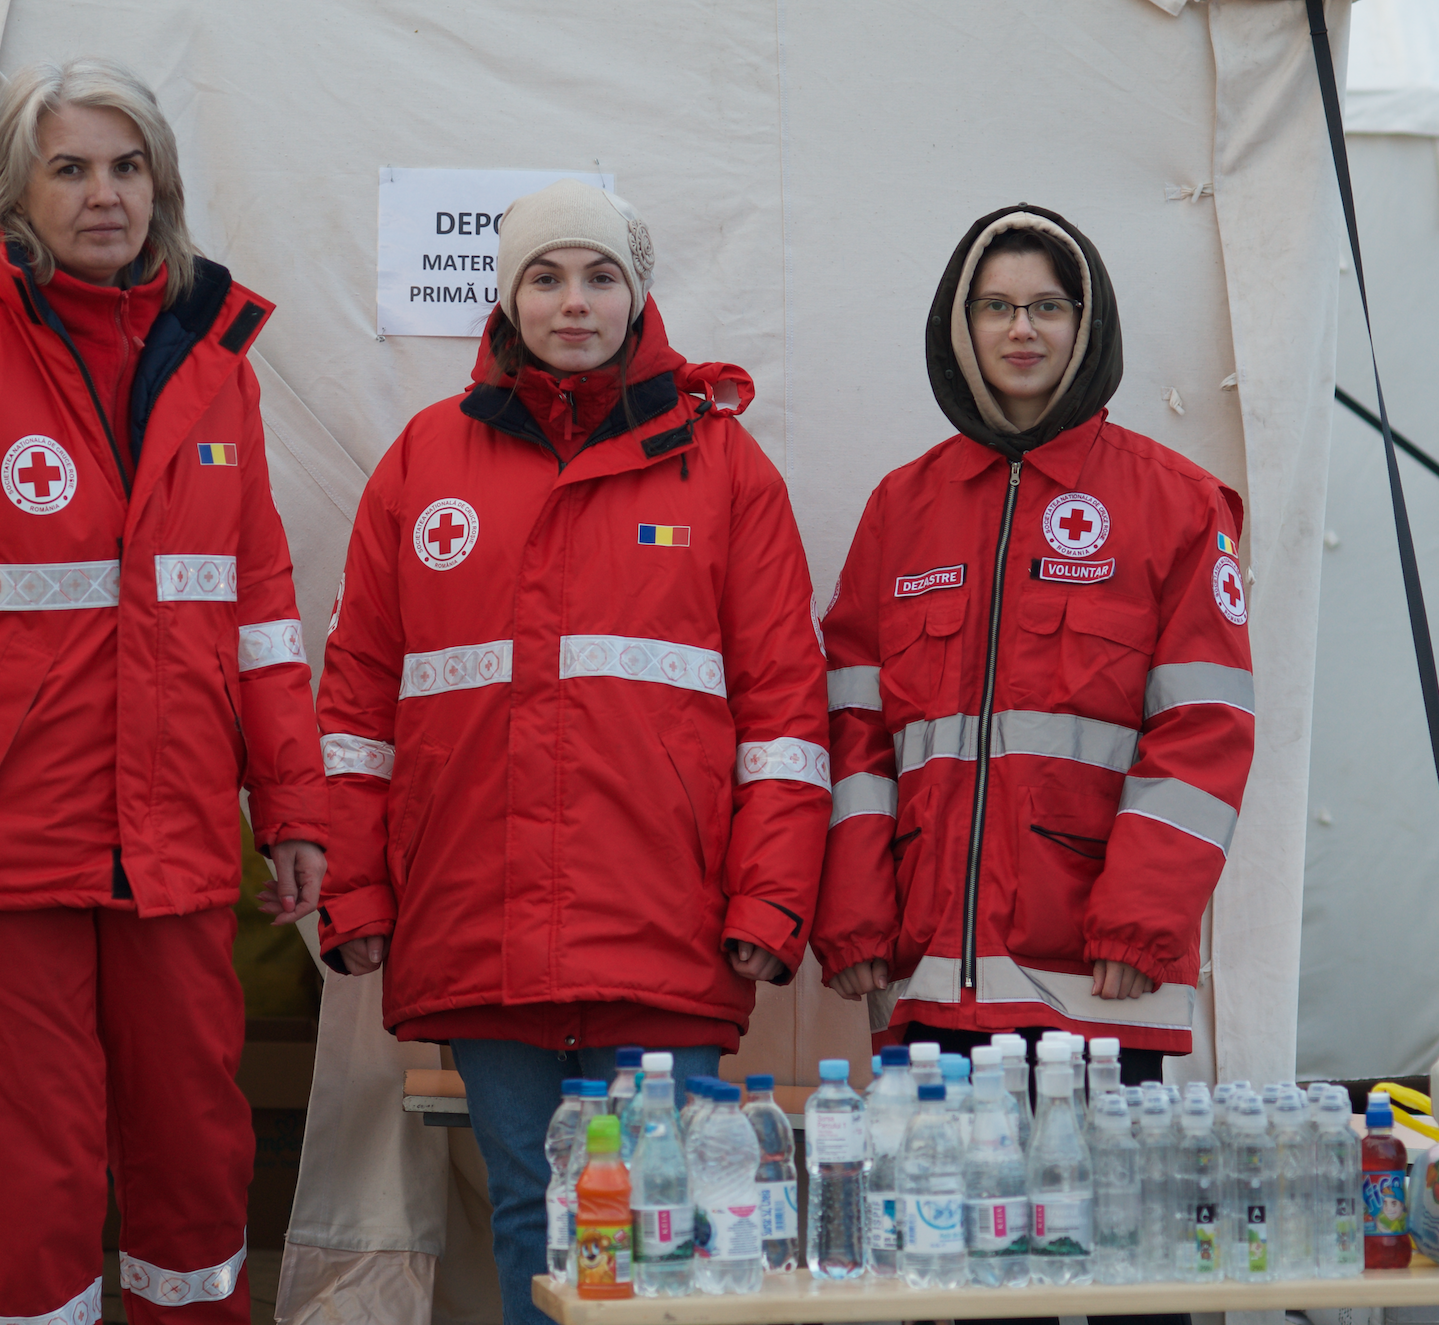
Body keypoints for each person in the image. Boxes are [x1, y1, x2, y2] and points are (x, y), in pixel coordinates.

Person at [0, 58, 328, 1324]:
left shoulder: (221, 370)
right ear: (15, 191)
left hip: (174, 846)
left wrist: (299, 809)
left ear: (160, 182)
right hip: (0, 852)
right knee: (25, 1170)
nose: (105, 195)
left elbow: (259, 616)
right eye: (71, 168)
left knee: (198, 1164)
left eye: (127, 165)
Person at [311, 179, 830, 1323]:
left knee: (663, 1216)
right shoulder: (421, 463)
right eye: (544, 277)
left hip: (669, 923)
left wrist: (768, 902)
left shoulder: (725, 469)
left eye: (598, 276)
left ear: (636, 296)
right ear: (506, 299)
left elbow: (786, 708)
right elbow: (355, 700)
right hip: (477, 918)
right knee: (525, 1209)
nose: (572, 301)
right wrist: (352, 887)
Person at [813, 204, 1256, 1087]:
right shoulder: (901, 509)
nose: (1022, 329)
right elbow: (853, 730)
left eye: (1048, 306)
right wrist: (857, 912)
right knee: (938, 1228)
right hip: (928, 980)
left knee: (1091, 1231)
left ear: (1087, 327)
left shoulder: (1178, 503)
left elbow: (1204, 730)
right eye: (995, 306)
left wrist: (1141, 920)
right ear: (959, 323)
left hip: (1100, 985)